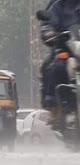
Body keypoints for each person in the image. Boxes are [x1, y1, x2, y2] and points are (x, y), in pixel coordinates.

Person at [39, 0, 80, 128]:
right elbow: (47, 24)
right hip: (65, 49)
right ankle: (54, 108)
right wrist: (49, 33)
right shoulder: (56, 6)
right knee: (55, 65)